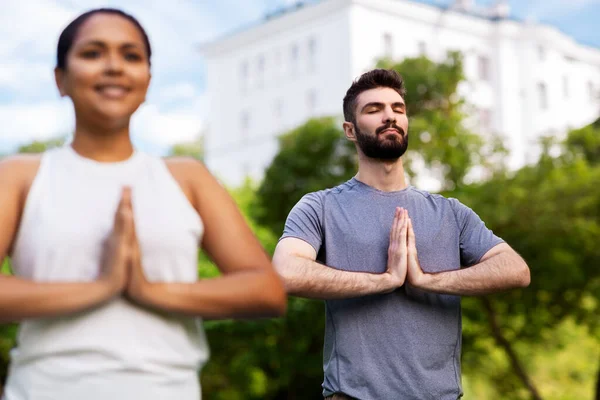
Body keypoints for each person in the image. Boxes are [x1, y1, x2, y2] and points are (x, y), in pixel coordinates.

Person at [0, 8, 286, 400]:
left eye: (131, 55)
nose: (114, 66)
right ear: (60, 79)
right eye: (93, 53)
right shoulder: (20, 175)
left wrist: (147, 290)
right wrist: (102, 287)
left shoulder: (188, 177)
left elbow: (266, 291)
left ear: (148, 81)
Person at [273, 69, 530, 400]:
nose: (389, 116)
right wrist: (384, 280)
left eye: (398, 108)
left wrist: (424, 280)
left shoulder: (450, 212)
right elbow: (283, 273)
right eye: (374, 109)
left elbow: (515, 270)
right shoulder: (319, 207)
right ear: (350, 130)